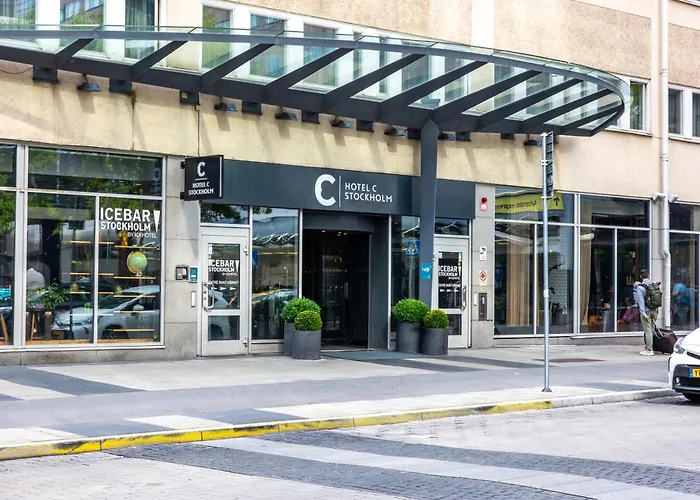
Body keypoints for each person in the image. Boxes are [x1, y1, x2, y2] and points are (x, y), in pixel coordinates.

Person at [633, 269, 657, 356]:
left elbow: (641, 301)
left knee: (648, 331)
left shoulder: (640, 287)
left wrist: (643, 313)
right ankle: (649, 347)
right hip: (654, 311)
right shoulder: (654, 285)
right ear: (649, 275)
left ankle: (649, 350)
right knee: (651, 330)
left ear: (640, 276)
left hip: (646, 311)